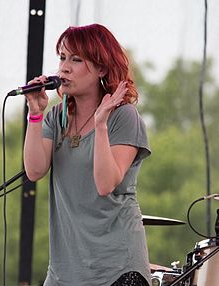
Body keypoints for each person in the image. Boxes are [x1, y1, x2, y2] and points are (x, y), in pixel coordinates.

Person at [24, 23, 151, 286]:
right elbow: (34, 171)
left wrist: (101, 124)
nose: (64, 68)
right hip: (64, 271)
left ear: (101, 68)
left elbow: (105, 184)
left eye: (76, 59)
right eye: (62, 58)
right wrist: (35, 113)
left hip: (116, 269)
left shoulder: (123, 117)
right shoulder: (56, 118)